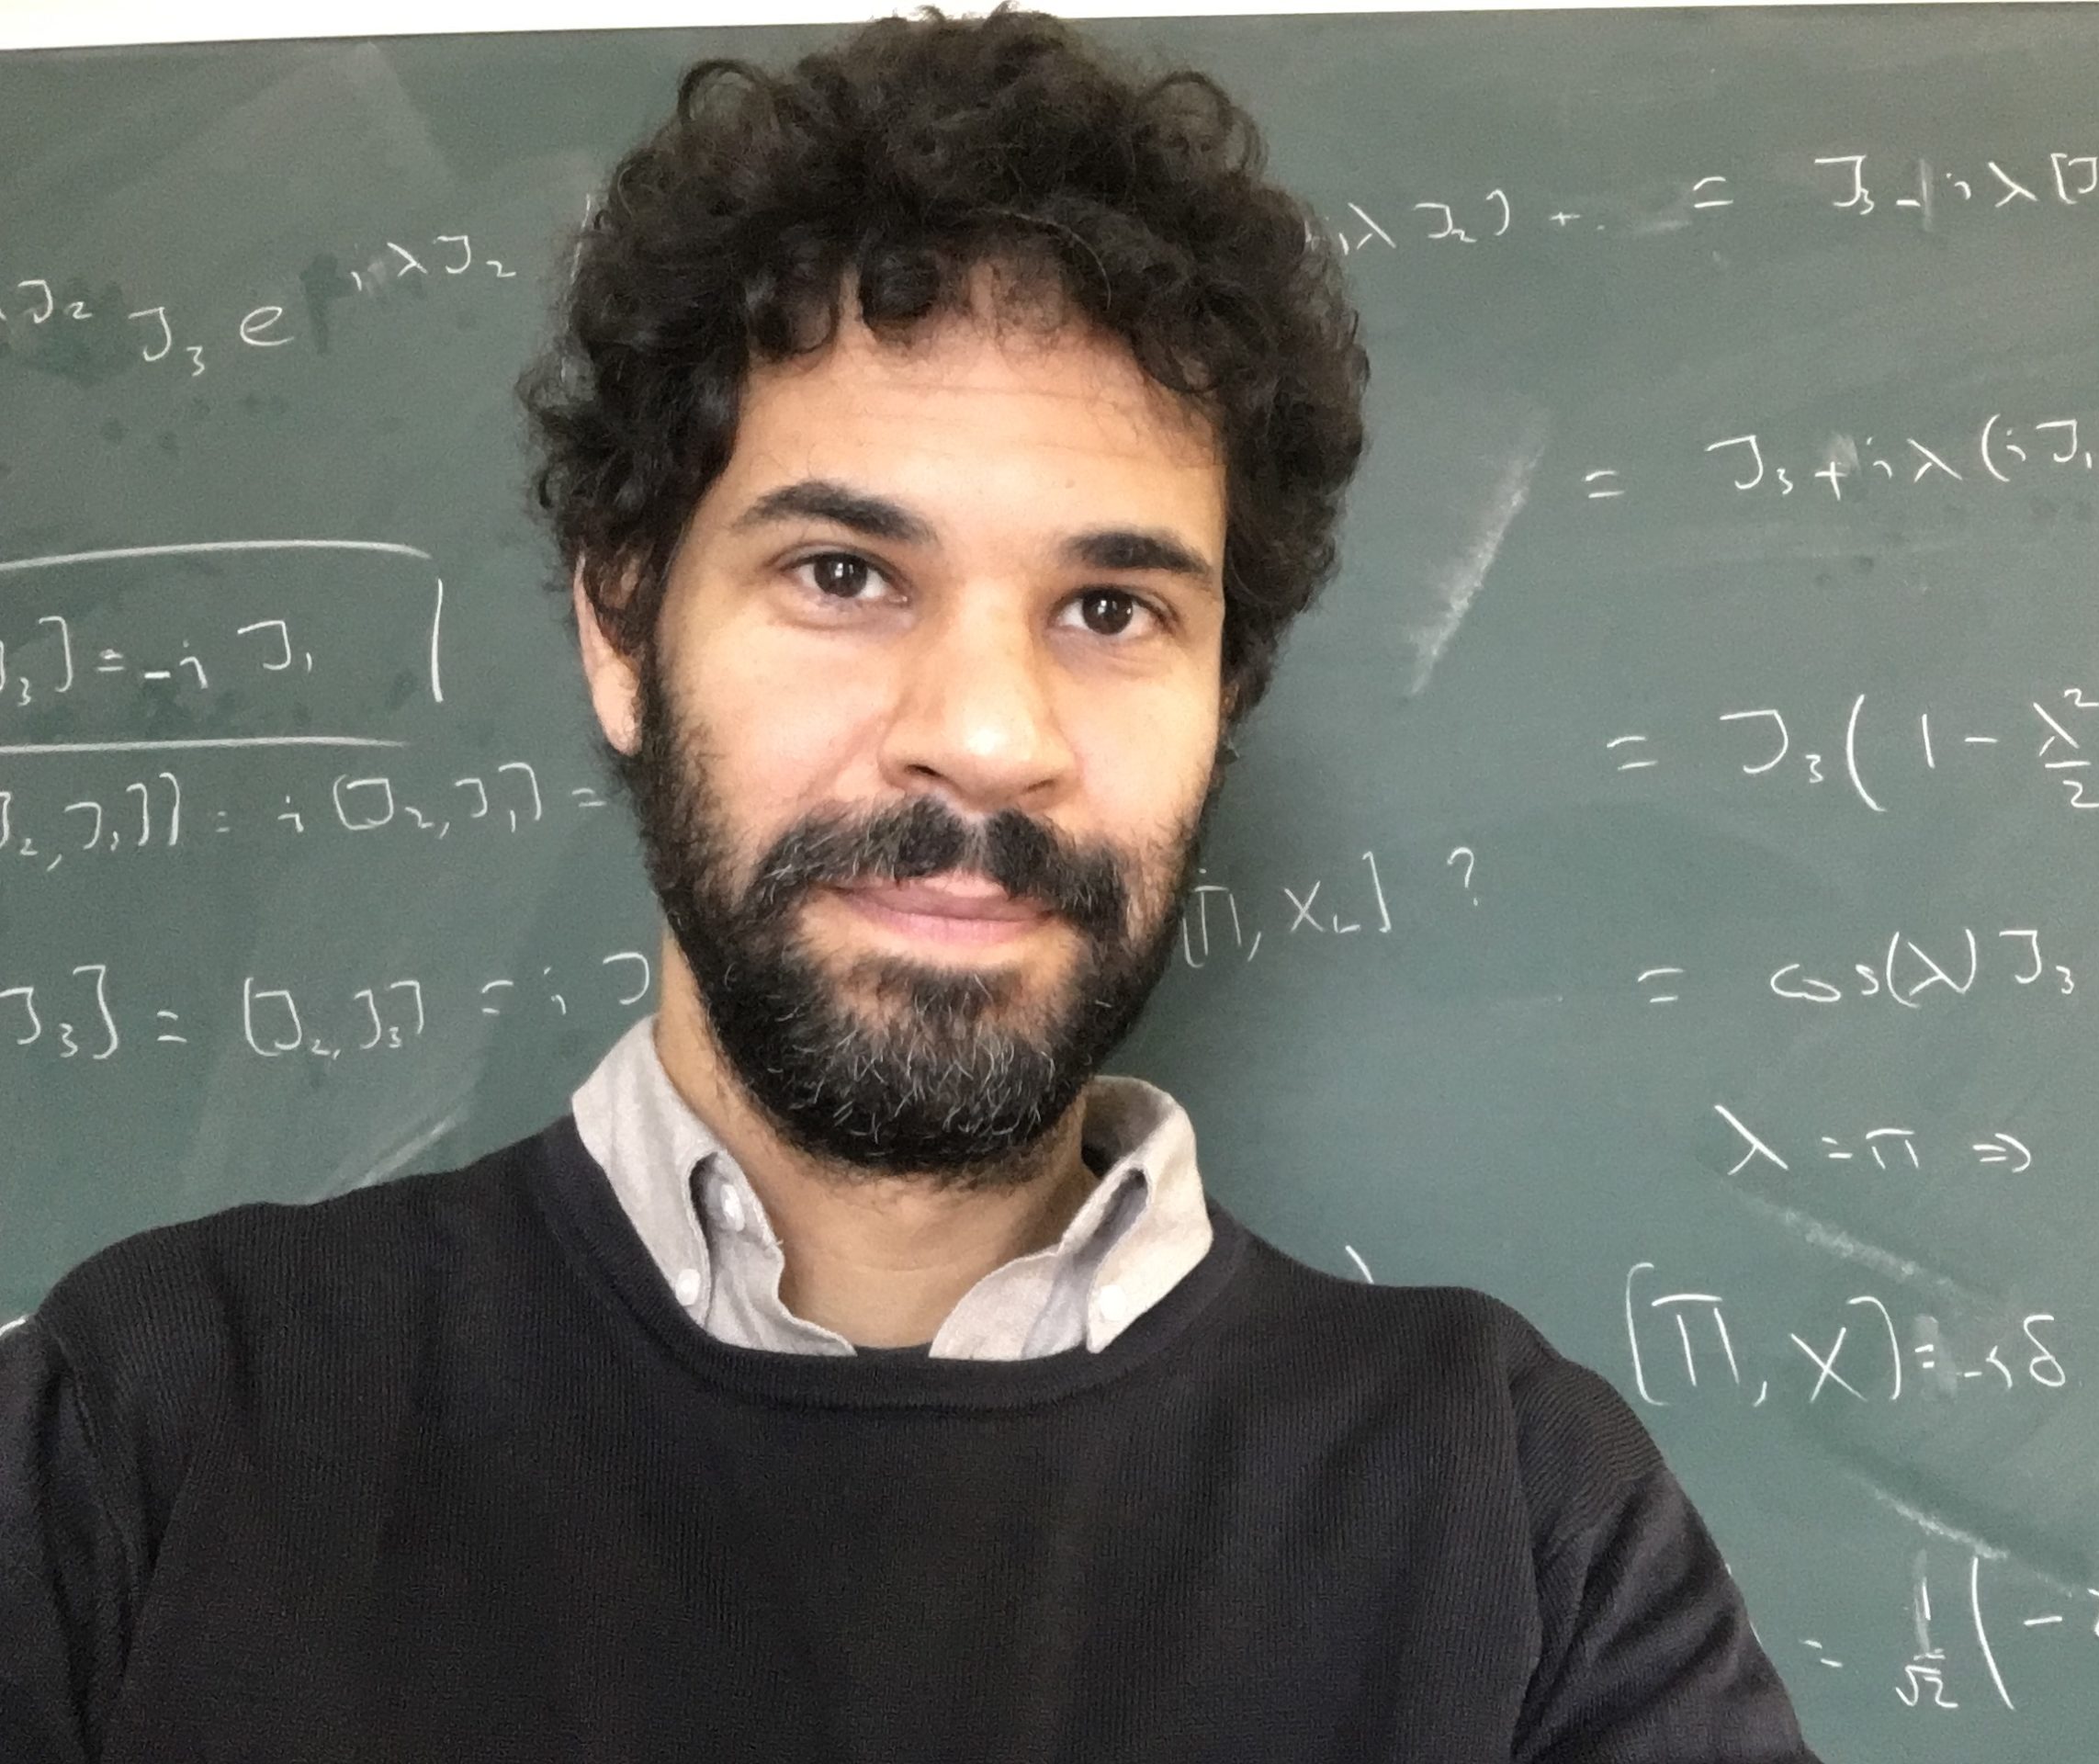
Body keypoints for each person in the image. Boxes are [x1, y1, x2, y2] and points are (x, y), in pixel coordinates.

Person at [0, 9, 1820, 1759]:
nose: (987, 735)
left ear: (1223, 696)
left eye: (1109, 608)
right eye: (845, 576)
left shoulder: (1520, 1523)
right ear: (622, 628)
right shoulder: (146, 1430)